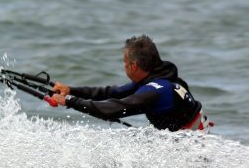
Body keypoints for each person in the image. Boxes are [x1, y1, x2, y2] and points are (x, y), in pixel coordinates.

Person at [51, 35, 213, 131]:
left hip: (190, 147)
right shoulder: (161, 79)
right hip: (193, 136)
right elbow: (112, 93)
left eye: (125, 63)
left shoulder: (155, 91)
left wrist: (68, 101)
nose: (124, 66)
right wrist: (70, 90)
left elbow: (112, 109)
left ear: (134, 66)